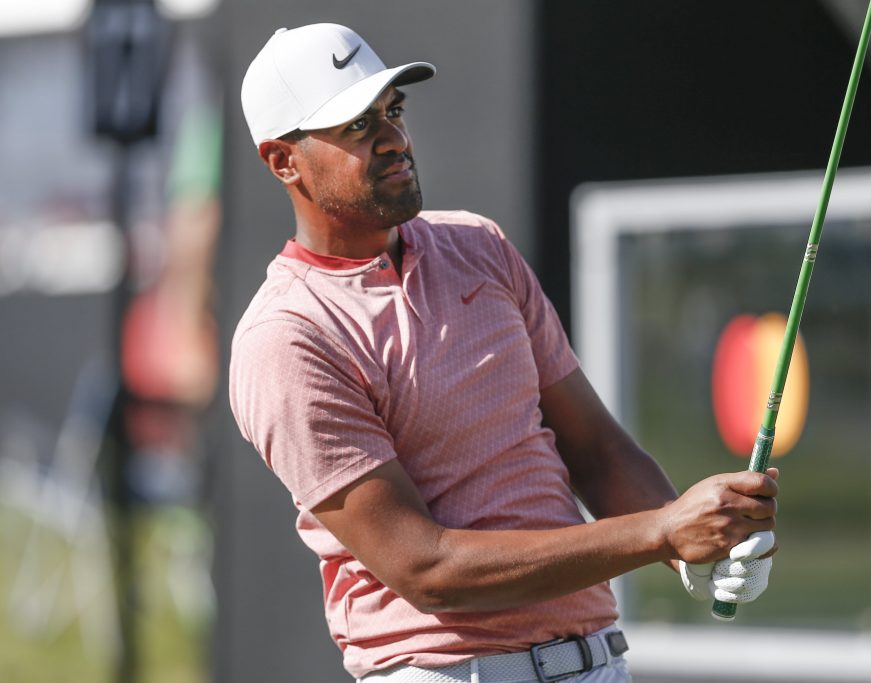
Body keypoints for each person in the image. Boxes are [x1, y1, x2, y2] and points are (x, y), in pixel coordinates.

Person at [229, 23, 779, 683]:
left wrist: (696, 554)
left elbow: (598, 450)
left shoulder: (478, 246)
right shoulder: (288, 336)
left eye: (392, 112)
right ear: (282, 161)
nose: (394, 139)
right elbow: (427, 568)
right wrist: (662, 530)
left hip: (596, 660)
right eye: (354, 126)